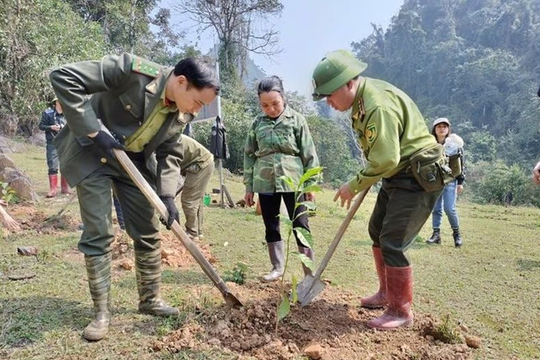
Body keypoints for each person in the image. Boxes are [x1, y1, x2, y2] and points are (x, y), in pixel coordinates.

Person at [49, 53, 219, 341]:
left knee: (148, 230)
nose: (197, 109)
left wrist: (166, 196)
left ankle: (150, 299)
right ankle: (102, 312)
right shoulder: (132, 71)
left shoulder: (181, 112)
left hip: (134, 164)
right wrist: (93, 131)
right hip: (91, 155)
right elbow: (63, 77)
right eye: (199, 102)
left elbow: (170, 154)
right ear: (181, 82)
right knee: (99, 232)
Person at [311, 50, 446, 330]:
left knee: (393, 241)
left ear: (349, 83)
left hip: (416, 175)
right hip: (396, 174)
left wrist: (354, 184)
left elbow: (386, 159)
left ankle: (401, 311)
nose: (329, 101)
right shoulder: (360, 103)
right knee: (377, 231)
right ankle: (387, 293)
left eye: (330, 94)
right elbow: (380, 155)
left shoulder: (376, 105)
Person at [244, 76, 319, 282]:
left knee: (301, 224)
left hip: (293, 180)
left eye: (275, 104)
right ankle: (277, 268)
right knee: (271, 224)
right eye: (265, 105)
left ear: (283, 98)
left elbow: (309, 153)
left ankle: (309, 272)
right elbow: (249, 156)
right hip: (265, 180)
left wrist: (311, 184)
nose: (271, 109)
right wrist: (249, 187)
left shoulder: (297, 120)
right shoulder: (256, 124)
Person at [426, 118, 465, 247]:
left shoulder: (454, 145)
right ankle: (436, 234)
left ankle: (456, 234)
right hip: (435, 181)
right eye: (439, 127)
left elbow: (460, 164)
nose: (442, 129)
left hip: (450, 180)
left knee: (450, 209)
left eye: (444, 126)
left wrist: (460, 181)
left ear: (448, 129)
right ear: (434, 129)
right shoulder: (429, 143)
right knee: (436, 209)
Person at [175, 134, 214, 241]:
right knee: (197, 200)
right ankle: (198, 231)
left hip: (201, 164)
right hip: (204, 162)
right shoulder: (170, 134)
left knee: (189, 200)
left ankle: (192, 232)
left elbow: (170, 171)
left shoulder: (167, 140)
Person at [39, 98, 71, 197]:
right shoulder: (47, 113)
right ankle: (53, 189)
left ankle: (65, 188)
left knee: (66, 164)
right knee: (52, 164)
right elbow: (41, 126)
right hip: (52, 142)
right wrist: (51, 127)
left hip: (66, 142)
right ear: (56, 102)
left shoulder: (69, 114)